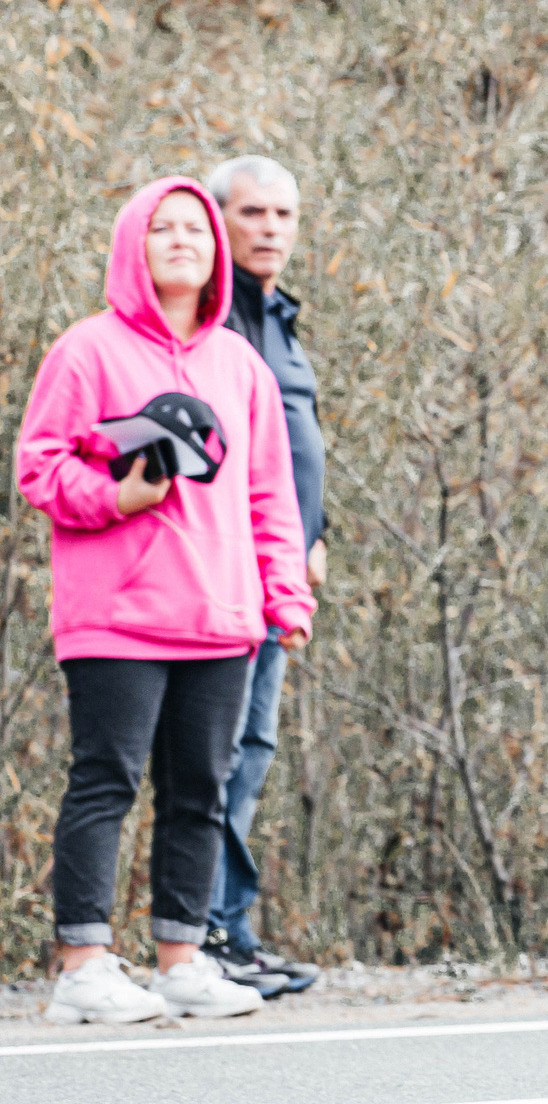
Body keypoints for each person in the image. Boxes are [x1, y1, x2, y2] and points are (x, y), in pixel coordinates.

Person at [18, 177, 313, 1024]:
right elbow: (38, 465)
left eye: (197, 227)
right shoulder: (87, 350)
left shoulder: (240, 364)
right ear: (133, 246)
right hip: (115, 617)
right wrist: (116, 497)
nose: (184, 239)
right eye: (164, 227)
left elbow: (270, 493)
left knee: (200, 792)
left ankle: (182, 961)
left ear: (216, 251)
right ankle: (83, 968)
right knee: (104, 782)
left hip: (220, 615)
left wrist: (284, 593)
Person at [199, 156, 327, 997]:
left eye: (283, 213)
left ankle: (230, 930)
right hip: (228, 568)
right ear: (219, 220)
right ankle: (207, 932)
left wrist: (319, 534)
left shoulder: (279, 316)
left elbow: (297, 438)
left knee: (253, 746)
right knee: (216, 753)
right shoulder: (214, 322)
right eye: (253, 212)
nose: (270, 227)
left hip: (283, 570)